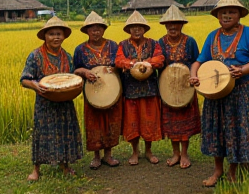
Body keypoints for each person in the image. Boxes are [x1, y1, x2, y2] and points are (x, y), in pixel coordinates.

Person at [190, 0, 249, 187]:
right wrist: (194, 74)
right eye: (223, 12)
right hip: (216, 92)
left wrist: (242, 70)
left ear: (239, 15)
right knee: (218, 130)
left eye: (231, 12)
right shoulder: (212, 36)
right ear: (217, 16)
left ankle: (238, 170)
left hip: (243, 92)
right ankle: (218, 171)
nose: (226, 15)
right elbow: (199, 61)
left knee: (241, 130)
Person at [20, 16, 83, 181]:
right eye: (52, 34)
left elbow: (71, 77)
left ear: (64, 36)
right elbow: (24, 79)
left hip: (64, 102)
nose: (56, 37)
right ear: (45, 36)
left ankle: (65, 166)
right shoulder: (35, 56)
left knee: (65, 132)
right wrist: (36, 86)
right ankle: (36, 169)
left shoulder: (67, 57)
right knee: (42, 134)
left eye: (59, 34)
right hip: (44, 103)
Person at [115, 10, 165, 165]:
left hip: (149, 89)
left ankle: (148, 151)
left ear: (144, 29)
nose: (136, 30)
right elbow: (118, 60)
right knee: (133, 121)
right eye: (133, 27)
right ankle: (135, 151)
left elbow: (160, 58)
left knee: (149, 120)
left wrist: (148, 63)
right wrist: (131, 64)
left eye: (140, 27)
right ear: (129, 29)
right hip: (130, 90)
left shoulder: (153, 43)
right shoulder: (122, 45)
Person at [73, 11, 122, 169]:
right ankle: (96, 156)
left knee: (111, 122)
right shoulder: (80, 49)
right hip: (92, 92)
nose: (95, 32)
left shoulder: (113, 45)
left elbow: (120, 64)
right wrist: (85, 72)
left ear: (103, 30)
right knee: (94, 123)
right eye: (92, 29)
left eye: (99, 28)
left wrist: (113, 68)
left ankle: (108, 154)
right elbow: (75, 70)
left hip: (112, 90)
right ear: (86, 30)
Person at [158, 5, 201, 169]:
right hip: (167, 87)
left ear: (182, 24)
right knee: (170, 122)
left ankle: (184, 153)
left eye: (176, 23)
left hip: (186, 87)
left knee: (184, 121)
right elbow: (158, 65)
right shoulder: (160, 43)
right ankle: (175, 153)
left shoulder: (190, 41)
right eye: (169, 24)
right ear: (165, 25)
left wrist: (193, 77)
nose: (173, 26)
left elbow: (197, 62)